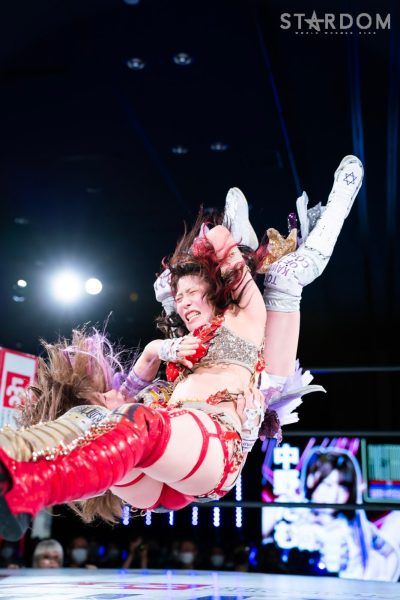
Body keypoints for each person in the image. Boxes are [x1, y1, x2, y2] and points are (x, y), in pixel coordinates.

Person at [0, 156, 363, 542]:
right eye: (180, 297)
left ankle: (24, 486)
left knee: (284, 281)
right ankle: (15, 466)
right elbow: (130, 386)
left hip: (209, 442)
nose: (184, 302)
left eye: (191, 293)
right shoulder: (185, 353)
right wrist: (162, 347)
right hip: (175, 457)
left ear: (215, 288)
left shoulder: (243, 317)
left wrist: (224, 242)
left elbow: (223, 247)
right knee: (95, 417)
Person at [262, 446, 400, 581]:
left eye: (343, 486)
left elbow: (391, 559)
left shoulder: (357, 527)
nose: (334, 495)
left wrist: (355, 568)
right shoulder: (286, 509)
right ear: (311, 479)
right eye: (327, 484)